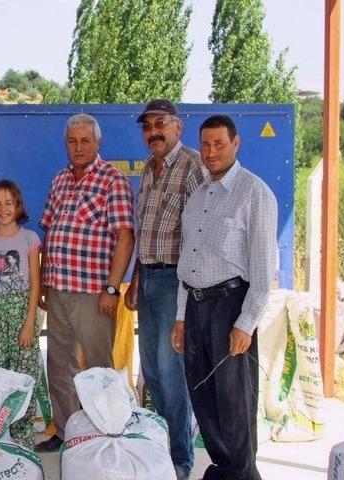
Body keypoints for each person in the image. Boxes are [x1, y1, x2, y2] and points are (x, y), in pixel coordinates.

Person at [172, 114, 277, 480]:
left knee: (234, 405)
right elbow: (187, 262)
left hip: (230, 308)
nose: (211, 152)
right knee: (204, 398)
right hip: (196, 307)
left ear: (236, 144)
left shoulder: (254, 193)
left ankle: (244, 474)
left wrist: (245, 324)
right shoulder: (198, 196)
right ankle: (222, 471)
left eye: (219, 144)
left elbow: (263, 271)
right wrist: (181, 317)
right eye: (205, 144)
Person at [36, 113, 135, 452]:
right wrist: (45, 281)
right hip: (58, 288)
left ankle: (104, 434)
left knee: (98, 368)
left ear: (98, 143)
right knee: (59, 363)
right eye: (72, 141)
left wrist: (112, 288)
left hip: (94, 292)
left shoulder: (112, 180)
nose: (78, 147)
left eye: (85, 141)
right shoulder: (60, 180)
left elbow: (125, 237)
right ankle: (65, 431)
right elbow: (50, 230)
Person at [124, 99, 207, 480]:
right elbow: (146, 233)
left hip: (177, 281)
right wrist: (136, 278)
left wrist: (188, 295)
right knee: (152, 370)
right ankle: (160, 448)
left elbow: (201, 234)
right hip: (149, 280)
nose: (153, 131)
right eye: (147, 126)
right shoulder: (148, 169)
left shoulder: (192, 166)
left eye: (160, 124)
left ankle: (181, 461)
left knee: (172, 373)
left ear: (177, 127)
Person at [0, 179, 42, 449]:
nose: (3, 209)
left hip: (21, 312)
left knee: (24, 374)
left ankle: (22, 439)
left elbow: (35, 284)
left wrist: (29, 323)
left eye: (8, 203)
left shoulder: (29, 239)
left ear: (17, 206)